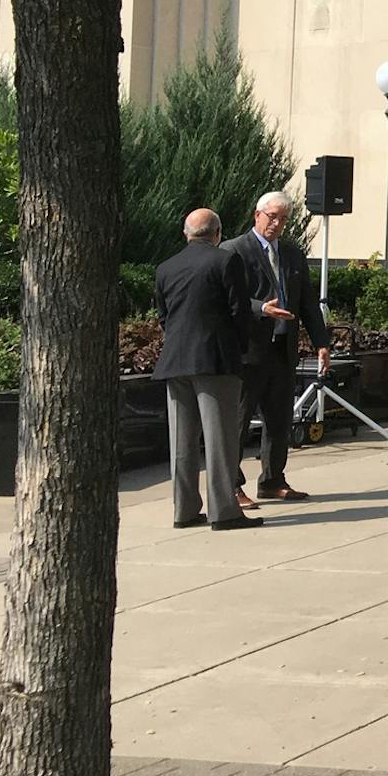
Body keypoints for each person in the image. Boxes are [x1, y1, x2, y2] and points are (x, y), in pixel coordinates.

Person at [223, 191, 330, 505]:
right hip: (248, 352)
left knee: (279, 420)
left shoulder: (293, 254)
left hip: (283, 350)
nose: (277, 223)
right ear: (257, 215)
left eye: (283, 218)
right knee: (238, 423)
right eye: (272, 217)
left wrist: (322, 343)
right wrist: (261, 309)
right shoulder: (234, 251)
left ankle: (272, 480)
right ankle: (230, 485)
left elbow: (308, 303)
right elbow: (228, 300)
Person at [155, 209, 257, 531]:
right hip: (215, 361)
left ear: (186, 234)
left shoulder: (165, 267)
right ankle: (224, 511)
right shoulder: (226, 261)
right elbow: (239, 311)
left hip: (175, 361)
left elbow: (163, 316)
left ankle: (184, 510)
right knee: (220, 439)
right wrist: (239, 349)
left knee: (181, 444)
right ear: (217, 234)